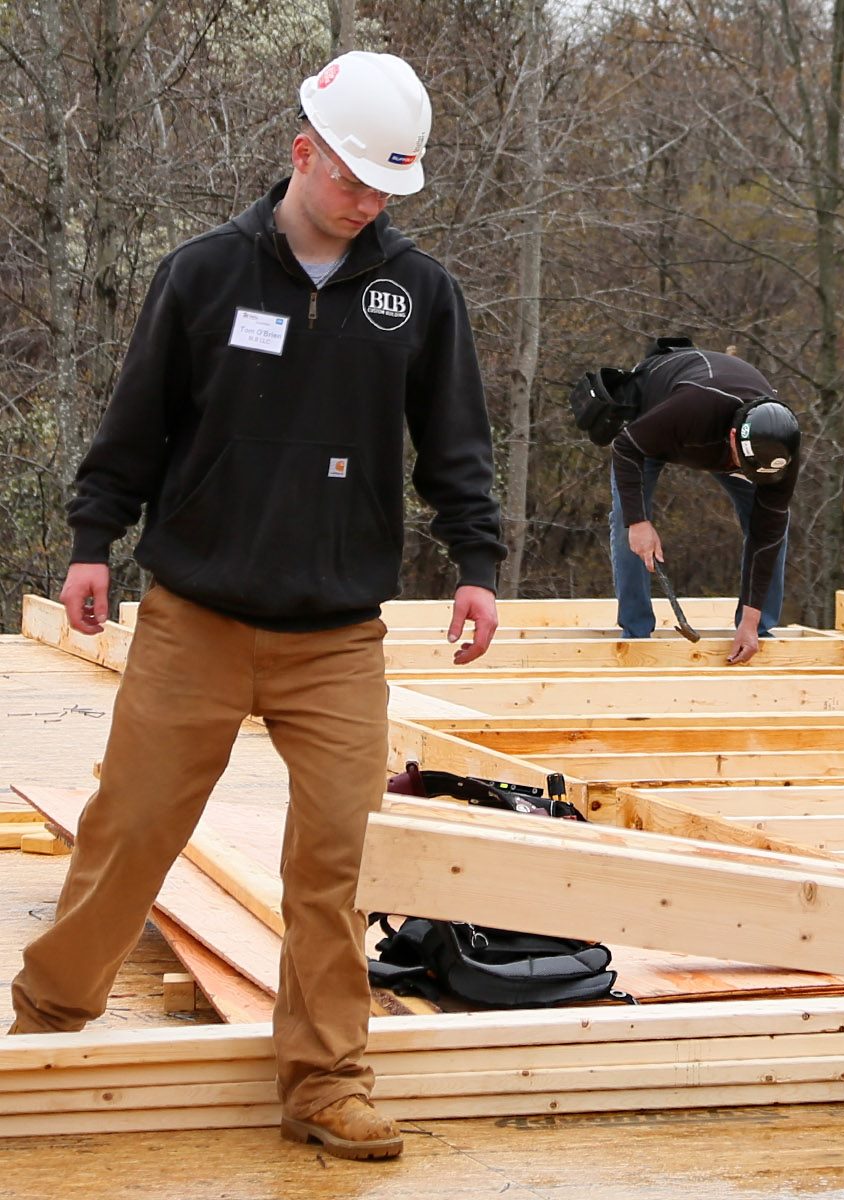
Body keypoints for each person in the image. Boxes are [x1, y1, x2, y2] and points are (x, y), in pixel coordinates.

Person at [7, 51, 505, 1162]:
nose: (368, 201)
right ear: (302, 153)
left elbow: (456, 442)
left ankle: (325, 1081)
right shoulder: (205, 273)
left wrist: (476, 561)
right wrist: (92, 542)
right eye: (353, 178)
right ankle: (42, 1031)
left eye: (386, 186)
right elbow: (136, 423)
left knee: (334, 862)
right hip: (198, 618)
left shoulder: (417, 294)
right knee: (129, 833)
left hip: (337, 638)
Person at [594, 339, 798, 665]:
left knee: (774, 527)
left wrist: (750, 621)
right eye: (742, 466)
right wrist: (638, 521)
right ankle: (636, 633)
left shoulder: (779, 453)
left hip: (711, 439)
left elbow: (766, 537)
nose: (743, 474)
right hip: (653, 427)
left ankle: (757, 631)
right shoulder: (692, 408)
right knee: (628, 524)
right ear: (733, 438)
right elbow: (625, 447)